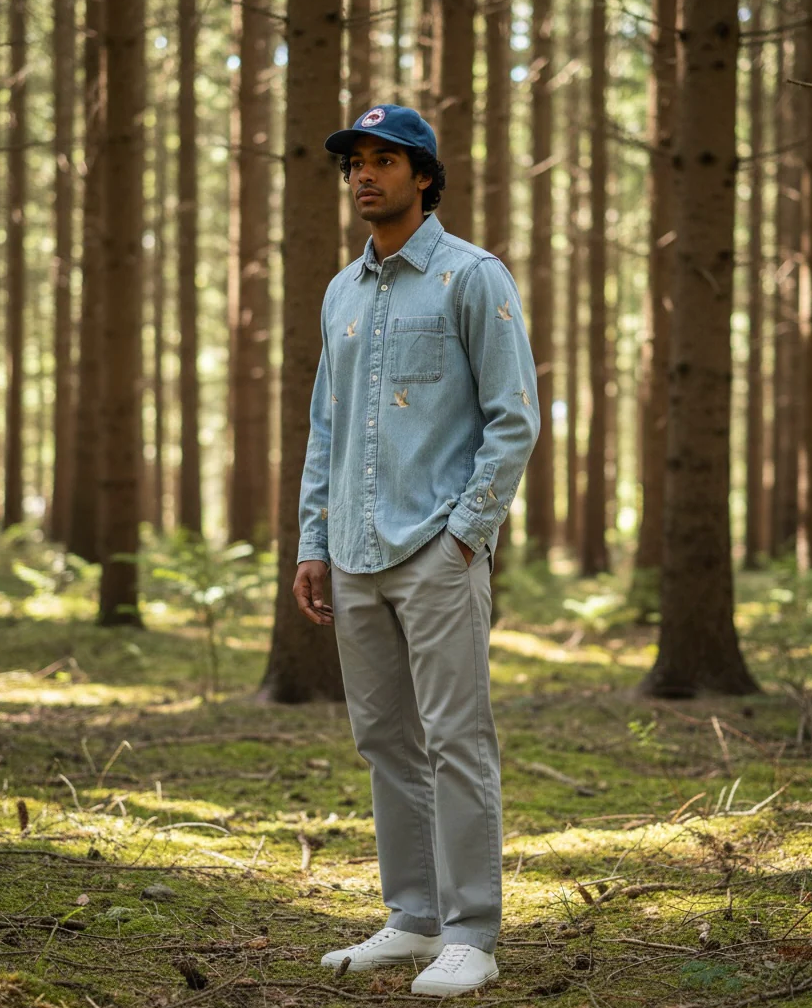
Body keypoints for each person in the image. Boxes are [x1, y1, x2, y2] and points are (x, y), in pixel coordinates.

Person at [293, 103, 540, 997]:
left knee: (455, 740)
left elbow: (515, 420)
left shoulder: (473, 278)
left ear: (425, 176)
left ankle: (473, 930)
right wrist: (313, 541)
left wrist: (465, 538)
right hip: (354, 556)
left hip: (437, 552)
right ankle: (414, 918)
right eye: (354, 161)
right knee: (385, 741)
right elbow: (327, 428)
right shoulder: (341, 292)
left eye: (384, 160)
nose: (364, 174)